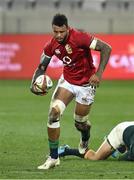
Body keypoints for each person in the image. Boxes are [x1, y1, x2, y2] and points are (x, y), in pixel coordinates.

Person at [30, 13, 112, 170]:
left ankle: (84, 141)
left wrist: (98, 74)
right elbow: (41, 67)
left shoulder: (80, 37)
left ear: (67, 28)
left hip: (86, 84)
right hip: (67, 82)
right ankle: (53, 157)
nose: (59, 35)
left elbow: (106, 48)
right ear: (52, 30)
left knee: (81, 123)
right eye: (55, 32)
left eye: (62, 31)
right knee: (53, 114)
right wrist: (33, 83)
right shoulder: (51, 45)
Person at [58, 121, 134, 161]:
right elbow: (123, 158)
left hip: (129, 130)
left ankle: (119, 148)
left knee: (128, 143)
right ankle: (66, 150)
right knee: (96, 157)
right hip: (119, 132)